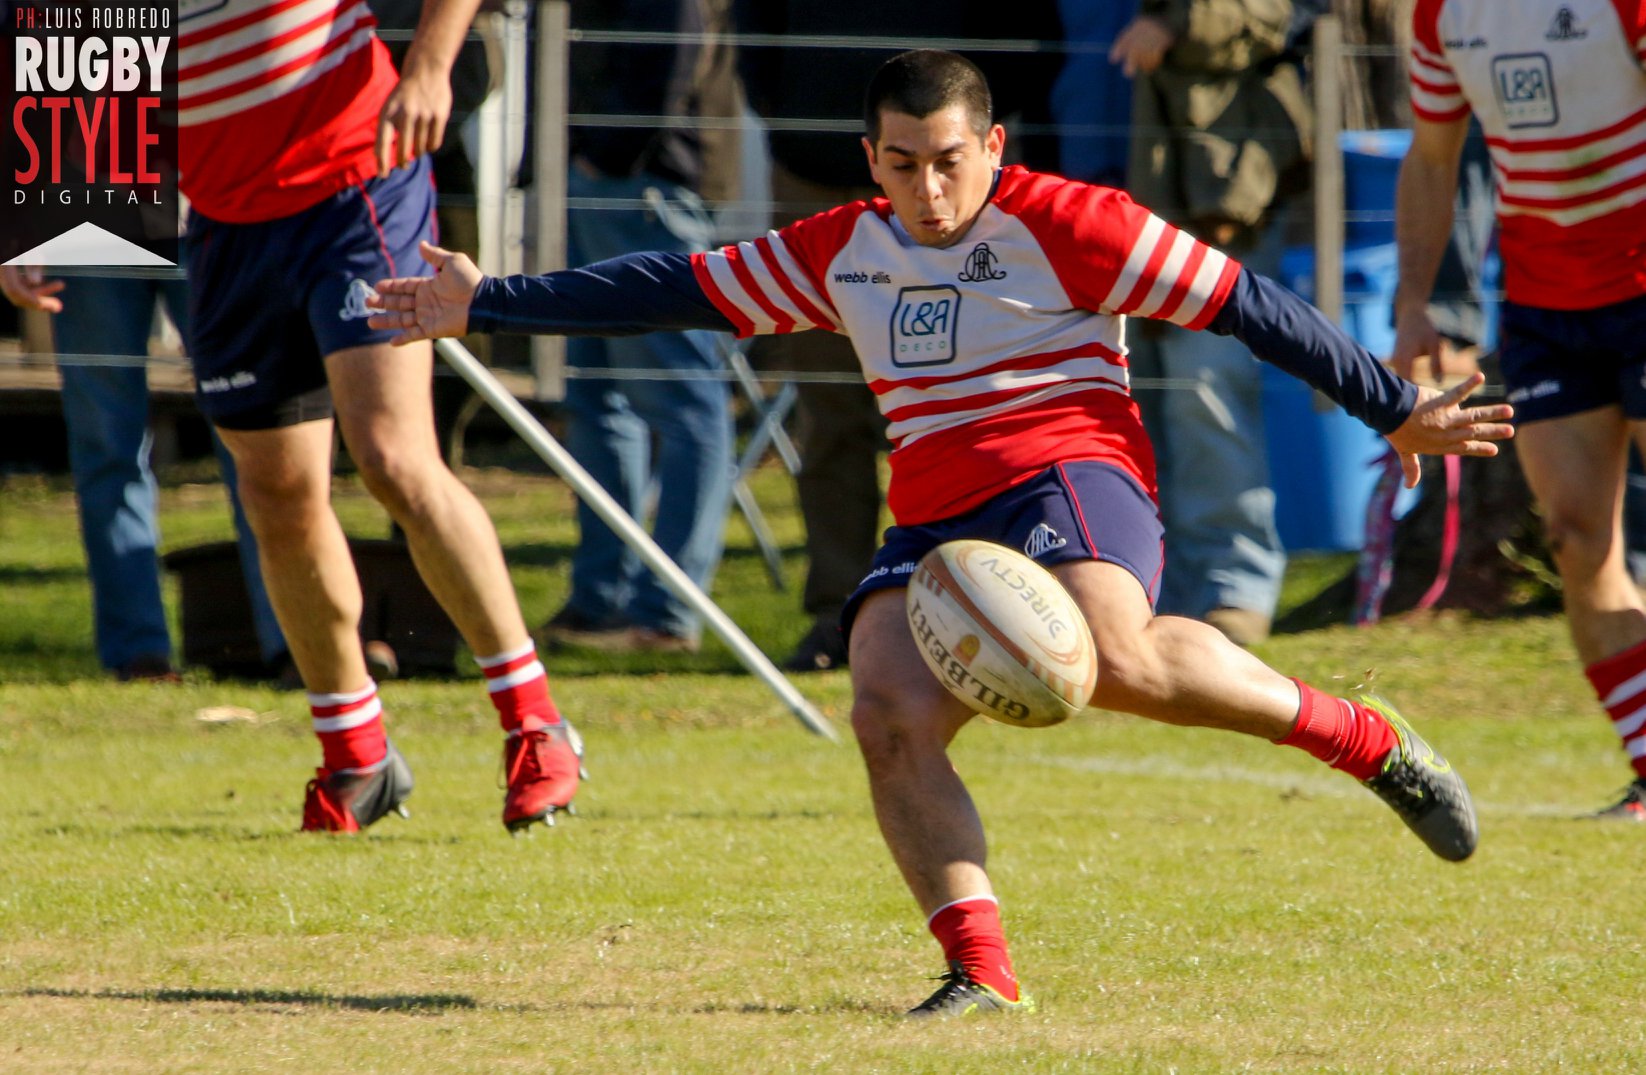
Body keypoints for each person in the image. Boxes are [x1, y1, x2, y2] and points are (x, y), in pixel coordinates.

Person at [371, 49, 1511, 1013]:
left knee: (1115, 658)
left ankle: (1361, 738)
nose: (927, 189)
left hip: (1069, 473)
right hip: (933, 513)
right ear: (872, 159)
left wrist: (1391, 403)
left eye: (949, 162)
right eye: (902, 164)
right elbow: (676, 283)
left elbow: (1249, 302)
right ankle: (980, 970)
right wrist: (490, 300)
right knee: (885, 710)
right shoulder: (838, 248)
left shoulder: (1076, 224)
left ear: (994, 147)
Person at [176, 0, 581, 832]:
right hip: (225, 219)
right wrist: (40, 229)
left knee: (392, 455)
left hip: (357, 180)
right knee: (277, 494)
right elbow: (67, 46)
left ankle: (537, 724)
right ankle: (355, 752)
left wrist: (431, 63)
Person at [734, 2, 1062, 673]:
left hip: (962, 200)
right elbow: (754, 35)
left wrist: (948, 152)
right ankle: (843, 614)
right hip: (817, 178)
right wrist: (807, 133)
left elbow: (1032, 42)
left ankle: (994, 612)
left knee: (981, 410)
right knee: (830, 415)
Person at [1393, 0, 1646, 819]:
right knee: (1577, 539)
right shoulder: (1440, 16)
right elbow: (1434, 159)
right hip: (1544, 310)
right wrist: (1411, 301)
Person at [1113, 0, 1322, 646]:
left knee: (1206, 385)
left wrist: (1176, 27)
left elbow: (1286, 14)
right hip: (1097, 173)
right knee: (1129, 395)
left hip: (1208, 188)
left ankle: (1235, 585)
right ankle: (1161, 590)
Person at [536, 0, 735, 656]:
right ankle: (602, 603)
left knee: (686, 407)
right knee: (596, 402)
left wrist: (605, 158)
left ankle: (668, 612)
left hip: (644, 192)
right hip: (595, 185)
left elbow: (669, 50)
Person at [0, 268, 288, 682]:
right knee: (105, 443)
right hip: (89, 224)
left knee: (254, 437)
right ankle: (138, 654)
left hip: (208, 217)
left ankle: (296, 641)